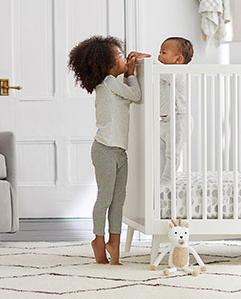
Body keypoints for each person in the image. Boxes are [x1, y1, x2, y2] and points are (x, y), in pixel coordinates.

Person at [67, 35, 149, 265]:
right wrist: (132, 73)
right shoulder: (109, 82)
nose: (125, 59)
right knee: (105, 197)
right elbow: (136, 95)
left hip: (119, 151)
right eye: (121, 57)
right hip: (104, 149)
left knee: (118, 199)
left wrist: (132, 67)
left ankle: (114, 241)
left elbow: (131, 96)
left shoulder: (114, 85)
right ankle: (98, 239)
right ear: (108, 65)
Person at [157, 37, 194, 183]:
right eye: (159, 52)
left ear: (178, 60)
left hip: (180, 119)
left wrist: (146, 61)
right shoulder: (163, 73)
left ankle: (167, 181)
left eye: (164, 53)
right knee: (161, 152)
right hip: (165, 120)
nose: (159, 56)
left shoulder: (178, 73)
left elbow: (157, 69)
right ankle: (159, 179)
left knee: (173, 153)